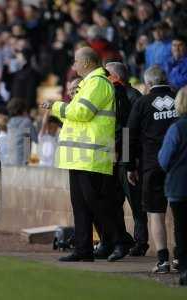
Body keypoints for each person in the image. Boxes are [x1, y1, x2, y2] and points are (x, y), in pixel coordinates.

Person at [43, 47, 122, 262]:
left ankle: (120, 240)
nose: (73, 66)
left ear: (87, 63)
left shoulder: (97, 83)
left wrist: (56, 106)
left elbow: (82, 113)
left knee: (96, 203)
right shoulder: (89, 83)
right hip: (80, 156)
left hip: (92, 157)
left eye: (75, 61)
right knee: (80, 205)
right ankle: (83, 249)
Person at [127, 66, 178, 273]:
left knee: (156, 214)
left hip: (152, 166)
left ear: (148, 84)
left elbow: (128, 135)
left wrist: (129, 166)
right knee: (180, 214)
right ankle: (181, 257)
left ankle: (163, 260)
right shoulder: (180, 99)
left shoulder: (142, 103)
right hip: (179, 167)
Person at [105, 62, 149, 256]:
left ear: (115, 77)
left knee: (136, 204)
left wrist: (126, 157)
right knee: (114, 204)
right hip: (117, 157)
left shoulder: (132, 97)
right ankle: (122, 240)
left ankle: (140, 243)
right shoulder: (116, 95)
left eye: (107, 74)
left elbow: (129, 132)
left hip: (127, 159)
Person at [158, 87, 187, 286]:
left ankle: (185, 269)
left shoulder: (177, 128)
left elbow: (164, 159)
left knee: (182, 230)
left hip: (180, 186)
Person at [6, 97, 38, 166]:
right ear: (24, 110)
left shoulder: (9, 123)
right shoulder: (27, 122)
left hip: (10, 160)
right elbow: (36, 139)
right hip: (23, 161)